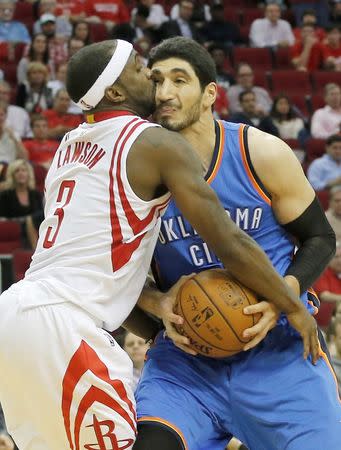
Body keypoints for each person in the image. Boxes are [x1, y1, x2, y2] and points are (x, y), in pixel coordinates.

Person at [0, 39, 319, 450]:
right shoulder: (154, 143)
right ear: (115, 92)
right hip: (62, 329)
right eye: (137, 67)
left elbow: (100, 266)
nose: (149, 73)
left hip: (15, 315)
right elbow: (228, 240)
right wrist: (293, 305)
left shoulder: (69, 146)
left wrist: (154, 315)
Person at [129, 37, 340, 450]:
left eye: (180, 80)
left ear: (210, 93)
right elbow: (106, 274)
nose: (165, 92)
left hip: (279, 351)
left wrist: (286, 294)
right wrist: (156, 303)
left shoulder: (260, 152)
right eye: (157, 81)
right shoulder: (134, 176)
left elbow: (320, 237)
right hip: (187, 363)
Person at [314, 244, 341, 330]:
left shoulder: (339, 275)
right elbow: (324, 296)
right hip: (324, 324)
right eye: (336, 257)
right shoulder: (322, 273)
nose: (340, 260)